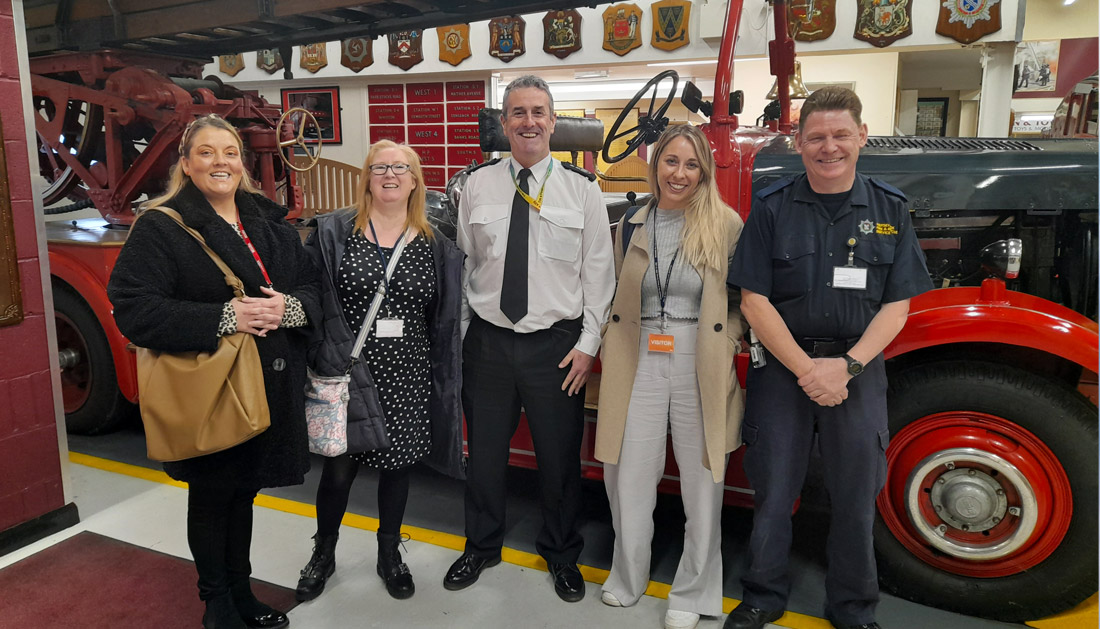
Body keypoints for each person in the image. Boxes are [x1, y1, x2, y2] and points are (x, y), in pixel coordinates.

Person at [724, 86, 932, 629]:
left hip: (856, 373)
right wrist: (807, 370)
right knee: (772, 493)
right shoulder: (771, 208)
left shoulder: (891, 209)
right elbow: (753, 299)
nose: (829, 147)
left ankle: (854, 609)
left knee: (856, 500)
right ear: (798, 143)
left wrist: (849, 366)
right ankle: (762, 597)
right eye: (816, 137)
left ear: (862, 137)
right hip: (784, 372)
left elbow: (897, 305)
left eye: (841, 135)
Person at [108, 114, 321, 629]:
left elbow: (314, 290)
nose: (219, 162)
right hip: (214, 388)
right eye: (205, 152)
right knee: (212, 496)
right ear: (186, 164)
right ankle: (217, 605)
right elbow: (134, 308)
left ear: (242, 164)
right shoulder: (161, 227)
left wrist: (287, 309)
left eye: (229, 152)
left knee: (242, 492)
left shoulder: (268, 222)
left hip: (268, 386)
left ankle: (241, 594)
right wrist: (228, 316)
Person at [446, 74, 615, 602]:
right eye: (518, 112)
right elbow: (468, 262)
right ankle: (481, 545)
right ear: (504, 123)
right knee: (486, 454)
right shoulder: (476, 185)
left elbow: (599, 276)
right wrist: (465, 338)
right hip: (490, 343)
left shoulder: (583, 190)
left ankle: (562, 553)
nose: (529, 122)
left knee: (560, 459)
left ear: (553, 120)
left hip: (556, 347)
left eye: (539, 111)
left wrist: (588, 346)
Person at [295, 140, 465, 602]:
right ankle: (323, 553)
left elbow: (443, 318)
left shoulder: (436, 246)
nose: (390, 175)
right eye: (380, 167)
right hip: (350, 373)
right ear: (367, 176)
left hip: (408, 374)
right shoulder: (335, 232)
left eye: (400, 168)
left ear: (414, 180)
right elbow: (310, 295)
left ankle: (389, 554)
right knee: (336, 473)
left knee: (398, 471)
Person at [594, 124, 745, 629]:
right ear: (654, 164)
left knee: (703, 479)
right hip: (637, 358)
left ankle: (695, 591)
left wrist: (727, 342)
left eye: (691, 164)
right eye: (670, 162)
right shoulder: (633, 224)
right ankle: (627, 577)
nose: (679, 174)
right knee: (627, 473)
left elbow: (744, 301)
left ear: (704, 172)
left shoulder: (725, 225)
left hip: (697, 359)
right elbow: (618, 293)